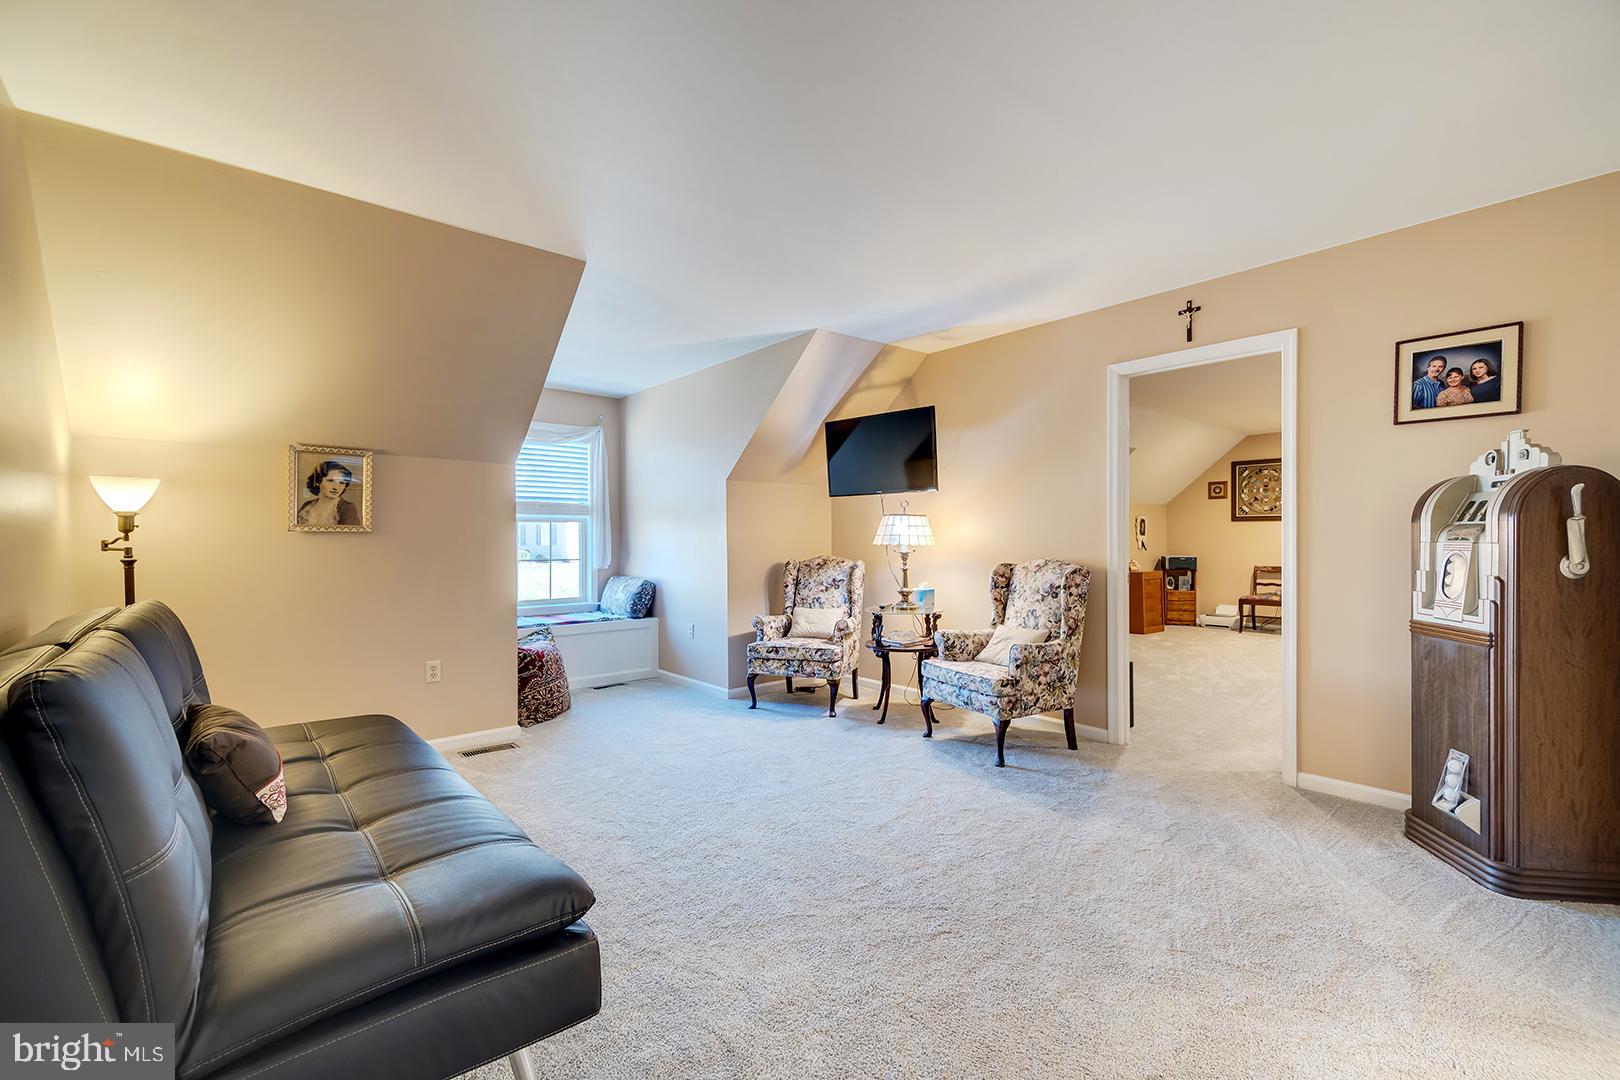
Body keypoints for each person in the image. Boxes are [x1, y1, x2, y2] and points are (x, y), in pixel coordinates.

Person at [298, 459, 360, 525]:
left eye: (342, 483)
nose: (336, 487)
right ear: (318, 481)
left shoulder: (348, 508)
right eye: (330, 481)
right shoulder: (307, 505)